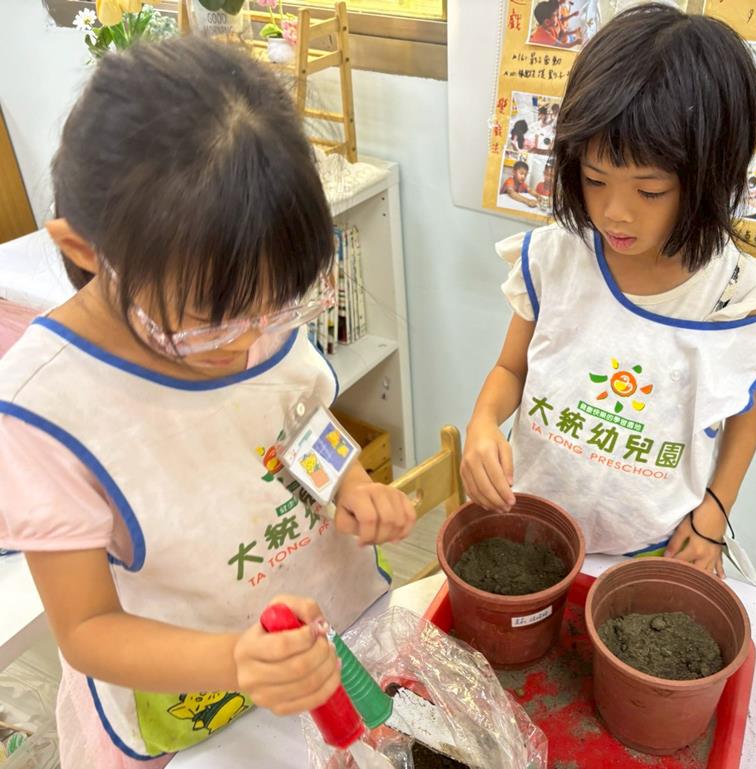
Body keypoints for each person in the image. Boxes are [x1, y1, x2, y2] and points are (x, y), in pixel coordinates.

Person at [0, 38, 415, 769]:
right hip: (195, 700)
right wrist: (235, 661)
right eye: (211, 317)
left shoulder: (247, 303)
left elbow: (298, 418)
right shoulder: (47, 411)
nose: (251, 337)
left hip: (322, 634)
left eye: (274, 306)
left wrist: (349, 483)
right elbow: (88, 629)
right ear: (88, 250)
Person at [462, 6, 756, 575]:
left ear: (710, 176)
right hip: (532, 526)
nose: (614, 212)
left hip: (649, 548)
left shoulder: (733, 296)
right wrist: (483, 423)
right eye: (594, 180)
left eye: (650, 191)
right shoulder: (558, 258)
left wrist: (715, 511)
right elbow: (511, 368)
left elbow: (752, 397)